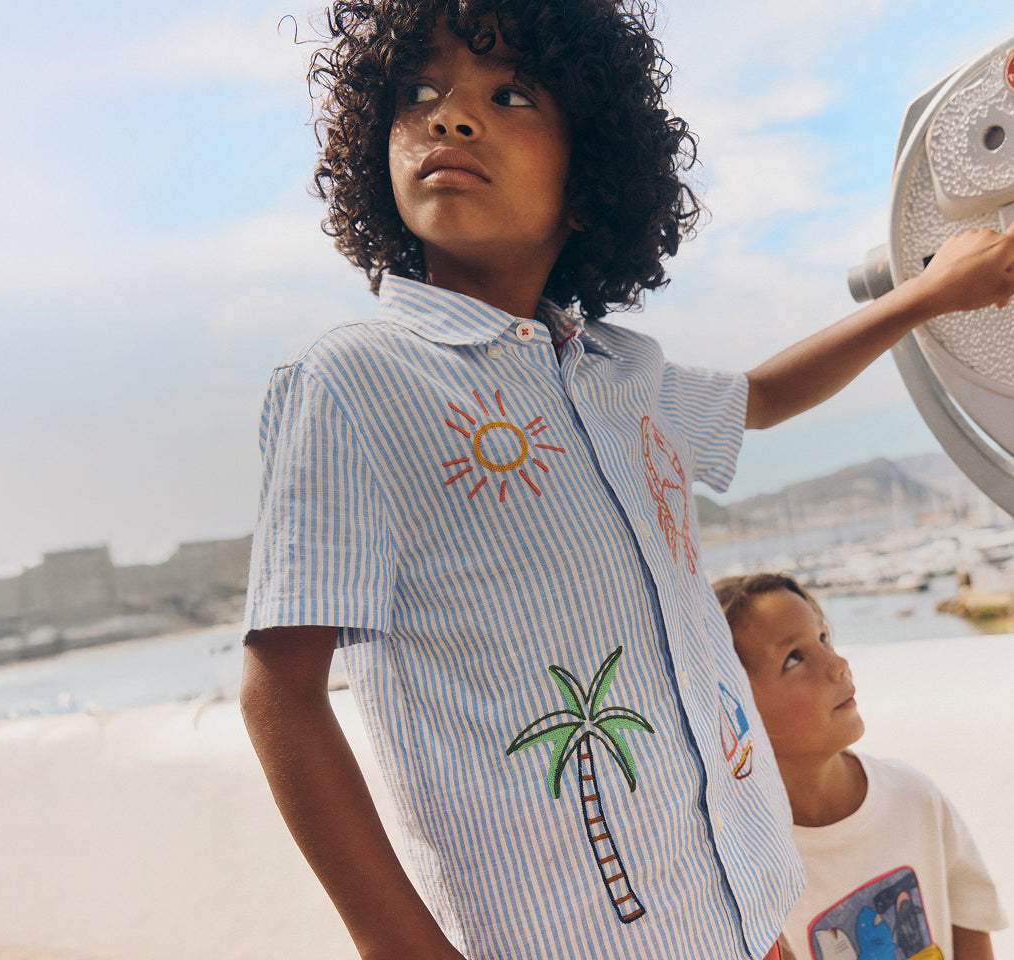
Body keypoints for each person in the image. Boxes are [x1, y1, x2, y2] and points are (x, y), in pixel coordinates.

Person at [238, 2, 1014, 958]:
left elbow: (765, 394)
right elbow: (281, 692)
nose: (451, 115)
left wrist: (927, 295)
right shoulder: (353, 384)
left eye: (509, 94)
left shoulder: (623, 372)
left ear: (587, 184)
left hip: (742, 921)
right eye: (419, 90)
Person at [714, 573, 1008, 960]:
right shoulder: (751, 864)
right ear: (734, 709)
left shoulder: (914, 797)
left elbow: (971, 923)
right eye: (794, 658)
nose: (838, 664)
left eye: (824, 638)